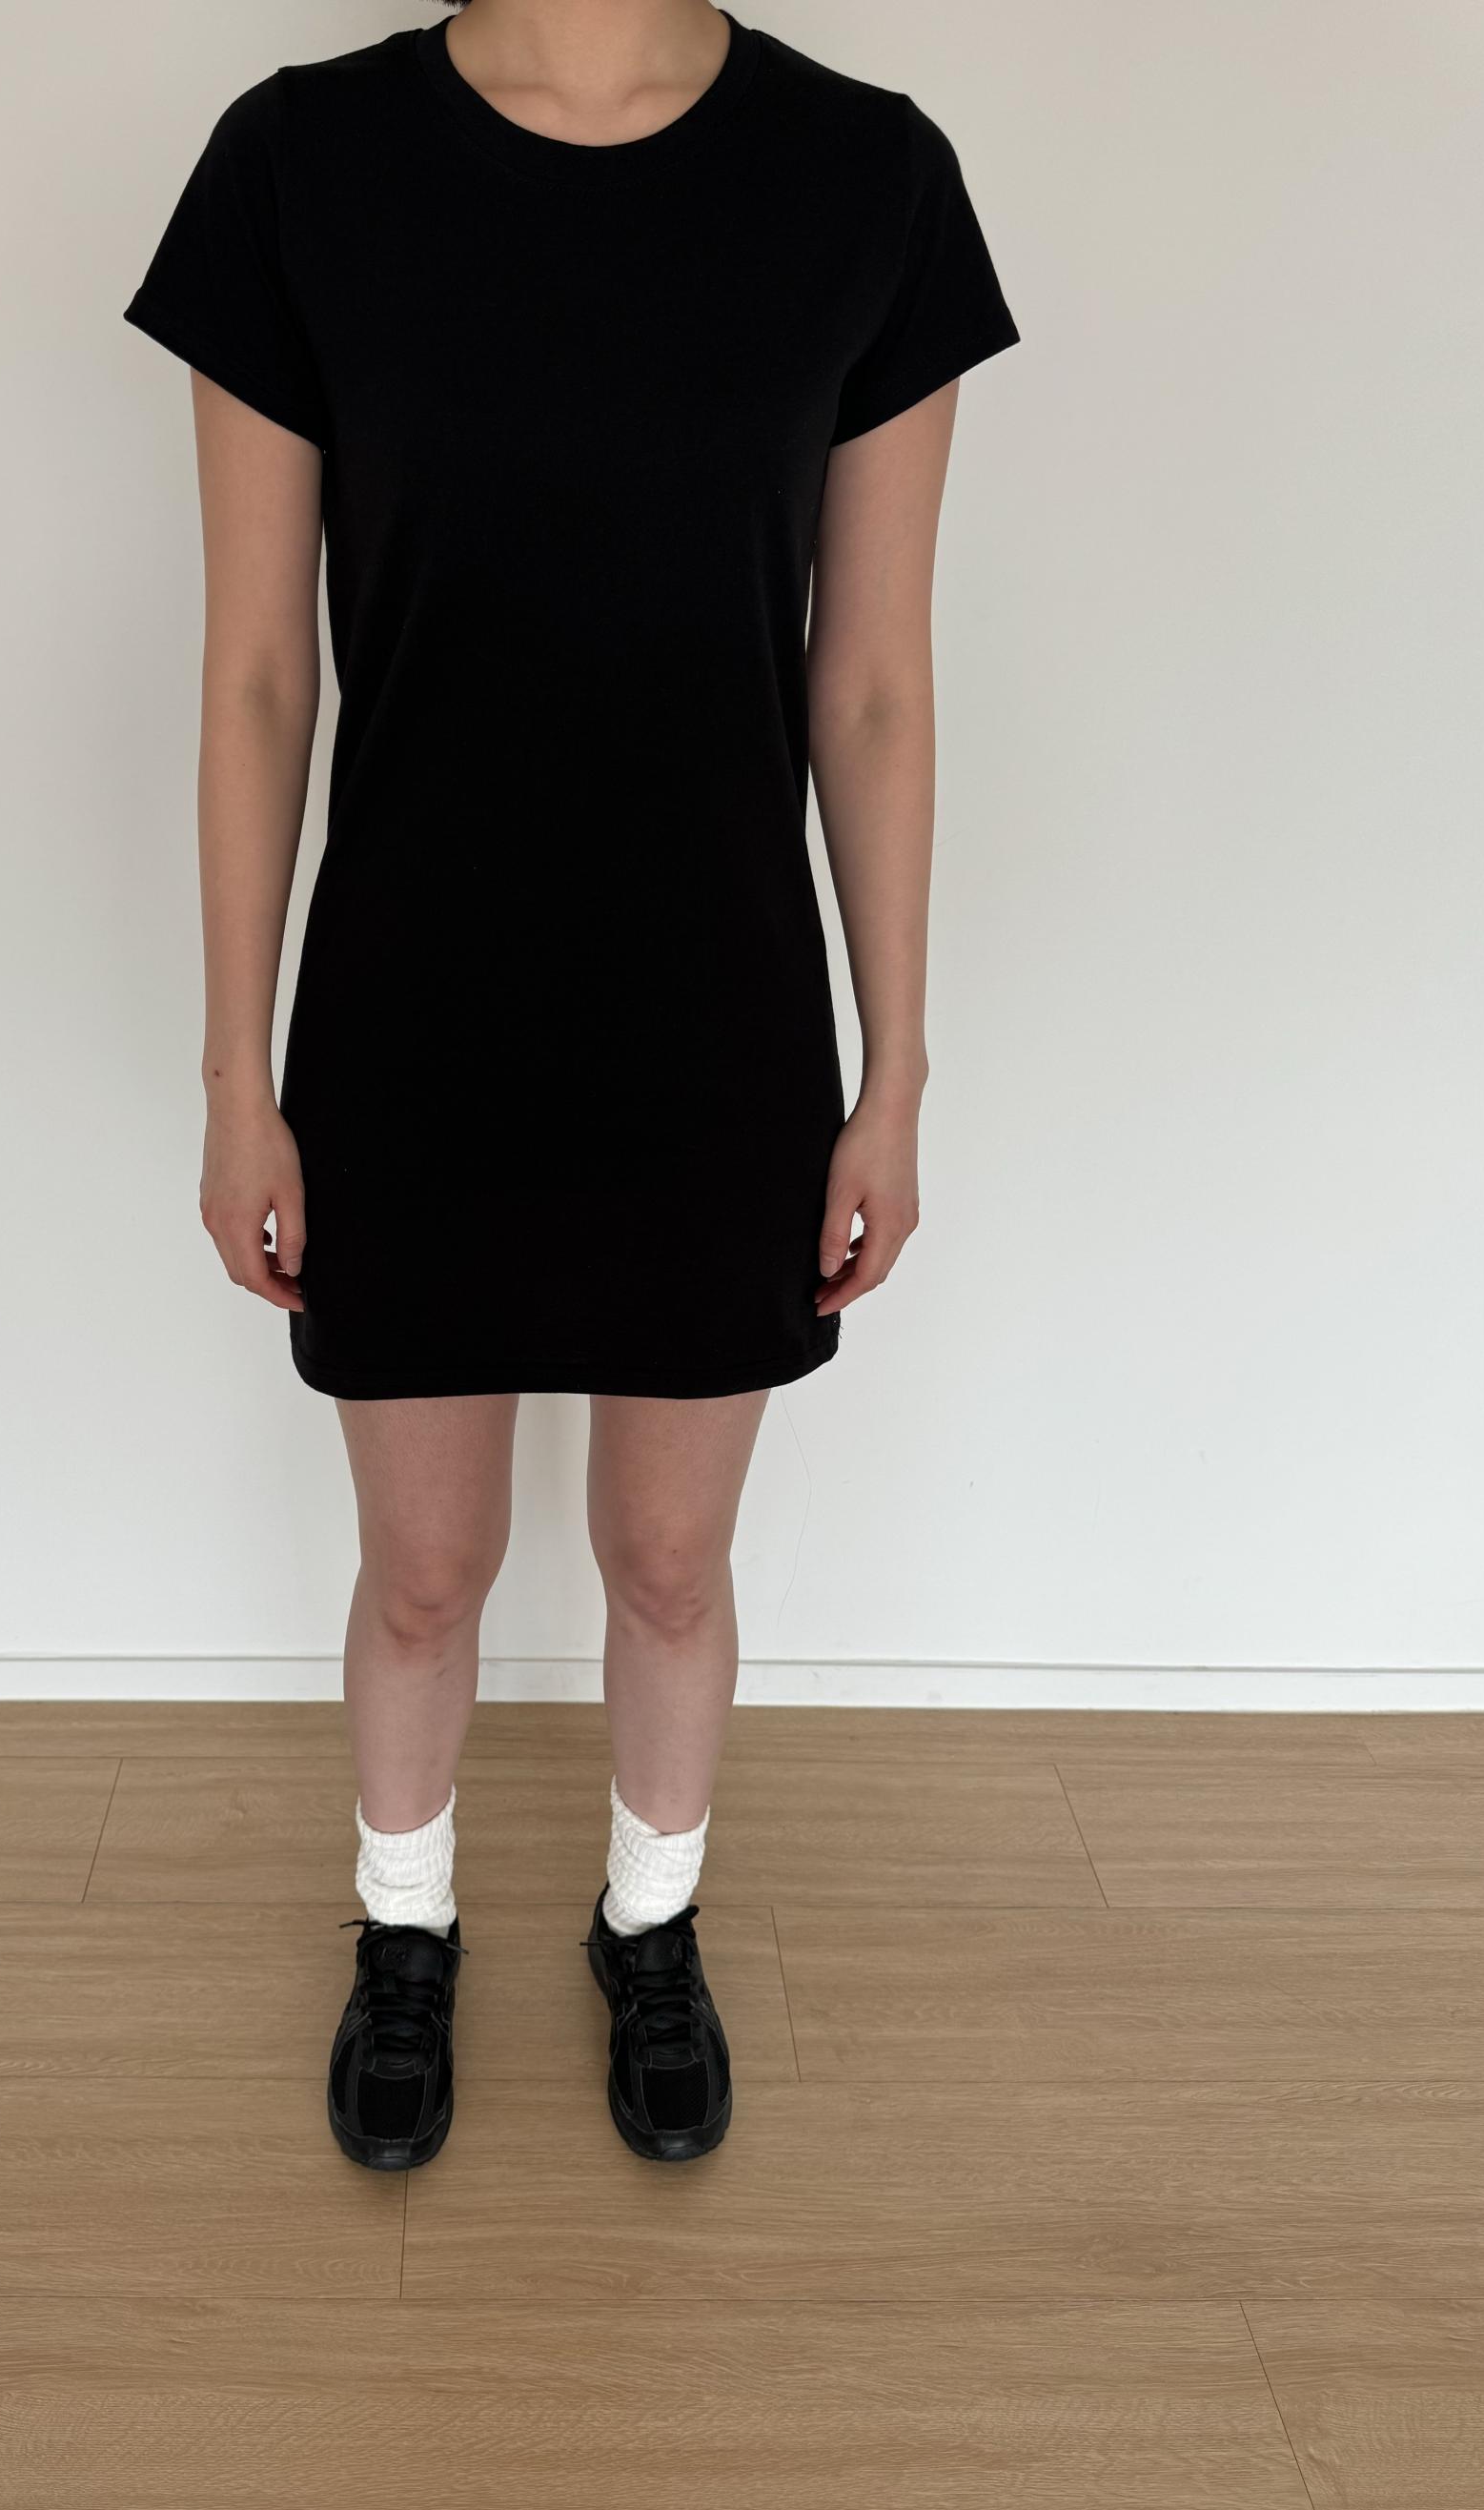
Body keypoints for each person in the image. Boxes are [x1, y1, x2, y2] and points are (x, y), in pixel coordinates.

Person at [123, 0, 1019, 2171]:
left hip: (718, 1009)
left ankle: (652, 1921)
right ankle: (403, 1926)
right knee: (425, 1568)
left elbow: (873, 684)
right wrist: (237, 1071)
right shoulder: (301, 169)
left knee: (668, 1558)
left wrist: (896, 1067)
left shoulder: (867, 181)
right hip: (411, 1004)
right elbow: (257, 675)